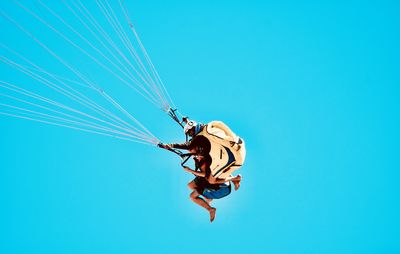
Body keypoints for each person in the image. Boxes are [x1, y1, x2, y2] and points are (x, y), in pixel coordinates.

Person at [182, 151, 241, 222]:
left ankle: (234, 179)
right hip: (213, 180)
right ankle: (208, 200)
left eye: (198, 156)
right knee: (190, 186)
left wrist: (190, 170)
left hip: (222, 188)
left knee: (193, 195)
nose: (197, 157)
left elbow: (205, 174)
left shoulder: (205, 160)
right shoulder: (199, 158)